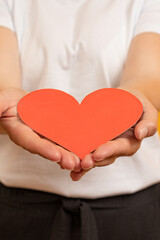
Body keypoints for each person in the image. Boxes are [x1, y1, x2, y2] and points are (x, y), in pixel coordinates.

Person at [0, 0, 160, 239]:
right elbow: (4, 80)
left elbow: (149, 73)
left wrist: (133, 102)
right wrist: (7, 106)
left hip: (132, 209)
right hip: (20, 206)